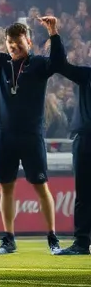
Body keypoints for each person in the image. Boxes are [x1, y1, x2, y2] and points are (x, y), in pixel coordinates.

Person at [0, 0, 65, 255]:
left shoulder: (39, 64)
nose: (13, 47)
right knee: (6, 188)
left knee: (40, 186)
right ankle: (8, 239)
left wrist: (54, 33)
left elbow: (59, 63)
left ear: (29, 41)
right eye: (10, 44)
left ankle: (52, 237)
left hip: (31, 135)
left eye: (18, 43)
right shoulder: (0, 63)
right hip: (4, 135)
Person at [53, 52, 90, 255]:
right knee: (84, 194)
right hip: (85, 139)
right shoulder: (86, 75)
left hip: (84, 139)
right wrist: (54, 34)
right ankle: (82, 243)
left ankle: (82, 243)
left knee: (84, 195)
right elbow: (60, 64)